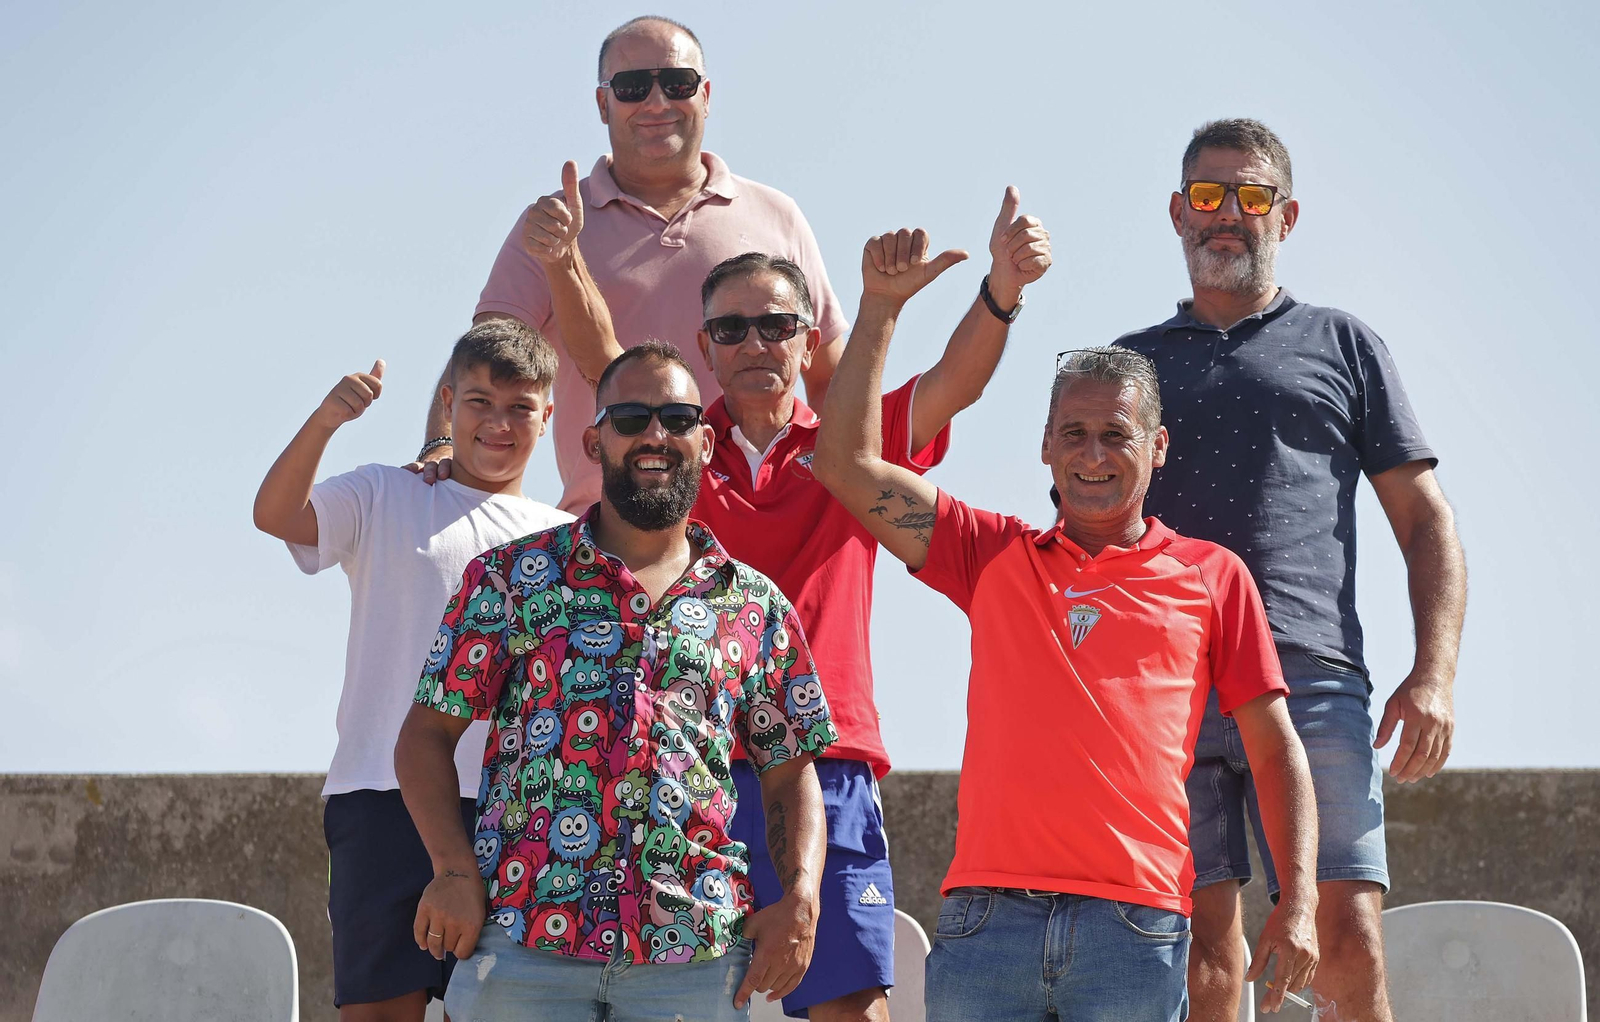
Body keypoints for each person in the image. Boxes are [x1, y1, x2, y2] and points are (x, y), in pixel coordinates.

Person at [513, 166, 1051, 1019]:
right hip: (683, 764)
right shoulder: (673, 450)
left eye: (776, 325)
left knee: (849, 1011)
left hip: (827, 761)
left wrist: (1002, 291)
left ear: (808, 340)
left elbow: (956, 382)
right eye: (732, 328)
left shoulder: (852, 448)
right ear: (706, 347)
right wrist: (561, 261)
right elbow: (601, 357)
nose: (756, 343)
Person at [810, 233, 1322, 1020]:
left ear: (1156, 449)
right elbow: (843, 464)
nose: (1093, 455)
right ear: (1045, 445)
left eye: (1115, 434)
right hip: (988, 924)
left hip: (1136, 928)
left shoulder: (1213, 576)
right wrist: (880, 309)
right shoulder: (987, 554)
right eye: (1073, 434)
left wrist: (1301, 898)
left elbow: (1274, 743)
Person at [1117, 118, 1468, 1022]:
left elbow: (1426, 521)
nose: (1228, 213)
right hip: (1168, 683)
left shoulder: (1345, 345)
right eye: (1207, 194)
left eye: (1252, 195)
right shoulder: (1130, 366)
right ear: (1176, 212)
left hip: (1311, 675)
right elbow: (1088, 538)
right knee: (1201, 954)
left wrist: (1434, 673)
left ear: (1288, 215)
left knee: (1347, 941)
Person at [394, 342, 836, 1022]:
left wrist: (802, 897)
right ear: (593, 441)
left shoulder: (755, 606)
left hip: (693, 956)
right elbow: (426, 735)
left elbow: (791, 771)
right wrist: (453, 872)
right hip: (522, 942)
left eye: (676, 417)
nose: (654, 434)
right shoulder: (511, 578)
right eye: (630, 417)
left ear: (706, 440)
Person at [251, 321, 570, 1021]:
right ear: (448, 404)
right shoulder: (384, 493)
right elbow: (276, 514)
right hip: (379, 794)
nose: (498, 422)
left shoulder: (565, 540)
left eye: (521, 406)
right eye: (479, 402)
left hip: (512, 809)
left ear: (548, 416)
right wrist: (328, 418)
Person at [412, 15, 849, 514]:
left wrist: (845, 500)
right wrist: (440, 448)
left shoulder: (777, 215)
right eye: (633, 86)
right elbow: (484, 358)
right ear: (603, 102)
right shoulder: (554, 224)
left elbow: (830, 376)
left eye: (677, 83)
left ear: (706, 94)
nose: (657, 102)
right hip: (607, 529)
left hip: (761, 530)